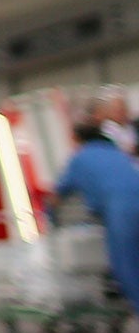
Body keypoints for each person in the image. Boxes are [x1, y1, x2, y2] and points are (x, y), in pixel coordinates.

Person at [53, 122, 139, 312]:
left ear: (76, 139)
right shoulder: (117, 153)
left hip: (121, 209)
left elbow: (59, 193)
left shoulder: (80, 158)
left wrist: (49, 216)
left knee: (127, 265)